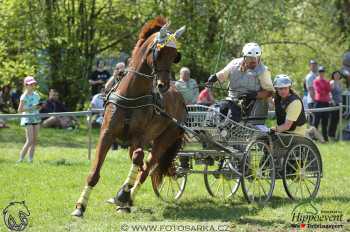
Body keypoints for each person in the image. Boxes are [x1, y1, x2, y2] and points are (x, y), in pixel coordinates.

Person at [207, 42, 274, 123]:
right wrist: (214, 77)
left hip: (253, 105)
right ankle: (205, 130)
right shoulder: (234, 64)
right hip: (232, 101)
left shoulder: (263, 71)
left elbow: (270, 92)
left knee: (232, 118)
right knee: (216, 109)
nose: (254, 61)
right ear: (244, 57)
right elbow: (223, 73)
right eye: (250, 58)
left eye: (256, 58)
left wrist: (255, 95)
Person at [17, 76, 41, 163]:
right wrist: (31, 108)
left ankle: (30, 159)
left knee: (34, 140)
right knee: (29, 140)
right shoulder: (24, 96)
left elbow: (38, 107)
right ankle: (21, 159)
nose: (32, 86)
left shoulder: (37, 95)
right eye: (30, 84)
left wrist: (39, 107)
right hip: (27, 119)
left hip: (36, 118)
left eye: (33, 84)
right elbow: (19, 110)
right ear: (26, 85)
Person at [313, 66, 331, 142]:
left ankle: (325, 137)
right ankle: (314, 137)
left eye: (323, 72)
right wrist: (325, 91)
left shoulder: (326, 81)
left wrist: (325, 90)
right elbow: (318, 90)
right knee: (316, 121)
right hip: (319, 102)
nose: (321, 73)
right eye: (320, 71)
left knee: (325, 121)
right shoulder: (316, 81)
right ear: (318, 73)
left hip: (326, 102)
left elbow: (329, 89)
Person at [328, 71, 342, 140]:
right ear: (333, 75)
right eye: (336, 75)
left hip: (339, 104)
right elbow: (329, 92)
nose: (337, 76)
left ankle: (334, 135)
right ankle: (330, 135)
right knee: (332, 120)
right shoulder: (332, 82)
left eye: (338, 75)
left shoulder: (339, 83)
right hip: (333, 104)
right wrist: (332, 101)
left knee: (336, 120)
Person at [304, 59, 318, 125]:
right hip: (312, 101)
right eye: (313, 65)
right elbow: (310, 89)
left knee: (316, 121)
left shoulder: (317, 75)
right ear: (310, 66)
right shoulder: (310, 76)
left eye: (315, 65)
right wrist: (315, 100)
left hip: (317, 100)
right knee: (312, 121)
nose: (314, 66)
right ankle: (310, 135)